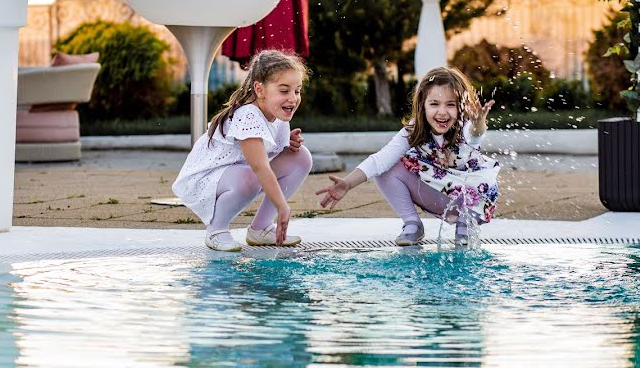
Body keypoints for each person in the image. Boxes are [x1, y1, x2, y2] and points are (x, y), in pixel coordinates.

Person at [316, 66, 500, 246]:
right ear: (422, 105)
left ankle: (465, 225)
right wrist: (347, 184)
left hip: (469, 202)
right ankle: (412, 223)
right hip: (439, 196)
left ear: (461, 107)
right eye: (434, 104)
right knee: (387, 168)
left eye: (450, 105)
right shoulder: (414, 131)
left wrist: (478, 122)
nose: (442, 112)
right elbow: (380, 159)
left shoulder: (466, 127)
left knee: (483, 182)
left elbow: (475, 134)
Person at [173, 49, 313, 251]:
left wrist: (284, 144)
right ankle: (216, 230)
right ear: (260, 89)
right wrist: (282, 206)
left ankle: (261, 228)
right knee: (253, 176)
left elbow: (263, 151)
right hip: (205, 177)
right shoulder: (248, 114)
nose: (293, 98)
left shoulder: (277, 113)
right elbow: (259, 167)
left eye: (297, 90)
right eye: (284, 91)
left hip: (238, 172)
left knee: (300, 157)